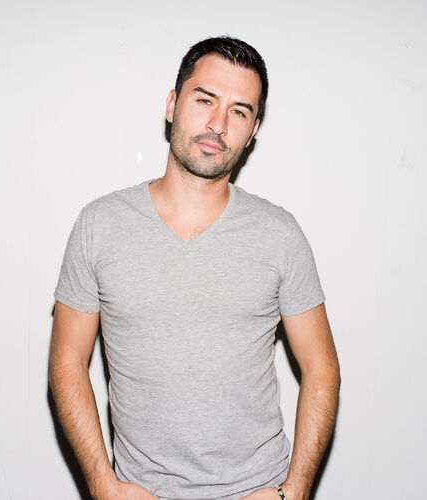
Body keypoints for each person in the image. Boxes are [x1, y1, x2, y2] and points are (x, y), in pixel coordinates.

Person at [49, 36, 340, 500]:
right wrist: (104, 485)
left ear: (253, 130)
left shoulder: (279, 234)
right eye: (205, 100)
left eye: (239, 111)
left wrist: (296, 489)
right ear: (172, 104)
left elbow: (321, 368)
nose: (218, 124)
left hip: (255, 489)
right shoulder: (100, 225)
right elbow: (67, 362)